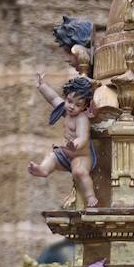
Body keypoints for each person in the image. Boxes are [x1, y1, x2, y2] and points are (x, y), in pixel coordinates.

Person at [28, 74, 99, 207]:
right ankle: (43, 169)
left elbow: (83, 137)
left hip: (80, 155)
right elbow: (53, 98)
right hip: (66, 153)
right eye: (69, 101)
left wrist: (74, 145)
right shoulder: (65, 111)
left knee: (80, 172)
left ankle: (90, 196)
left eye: (78, 105)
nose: (71, 106)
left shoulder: (81, 119)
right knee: (51, 156)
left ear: (84, 107)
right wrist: (41, 86)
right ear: (66, 97)